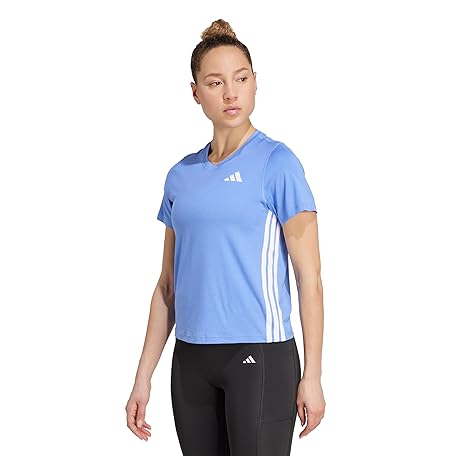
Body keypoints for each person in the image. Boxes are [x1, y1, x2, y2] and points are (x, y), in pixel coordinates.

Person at [125, 18, 325, 455]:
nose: (231, 93)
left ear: (255, 83)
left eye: (241, 79)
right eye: (215, 83)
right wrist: (143, 376)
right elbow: (167, 287)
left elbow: (309, 278)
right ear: (195, 92)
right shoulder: (180, 177)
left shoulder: (278, 164)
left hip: (260, 356)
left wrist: (312, 374)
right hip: (191, 361)